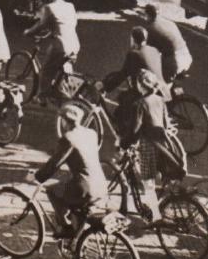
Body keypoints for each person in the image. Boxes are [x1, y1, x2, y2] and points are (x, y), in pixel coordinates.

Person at [34, 103, 108, 240]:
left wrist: (38, 177)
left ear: (63, 121)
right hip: (101, 184)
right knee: (68, 186)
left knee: (52, 191)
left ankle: (65, 226)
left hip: (86, 189)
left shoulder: (68, 138)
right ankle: (76, 228)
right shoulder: (92, 133)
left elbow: (54, 164)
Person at [113, 69, 177, 219]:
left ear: (141, 86)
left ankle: (155, 217)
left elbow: (134, 130)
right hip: (162, 145)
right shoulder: (160, 99)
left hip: (149, 147)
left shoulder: (140, 104)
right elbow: (166, 123)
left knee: (148, 183)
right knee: (153, 179)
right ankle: (155, 205)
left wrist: (123, 145)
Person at [24, 0, 80, 100]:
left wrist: (28, 32)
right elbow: (70, 23)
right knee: (64, 67)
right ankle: (65, 90)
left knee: (46, 71)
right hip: (74, 43)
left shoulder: (49, 7)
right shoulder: (70, 6)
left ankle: (42, 97)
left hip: (61, 46)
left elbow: (41, 25)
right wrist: (53, 32)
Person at [104, 26, 169, 100]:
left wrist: (106, 87)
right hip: (163, 91)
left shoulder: (134, 54)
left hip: (148, 95)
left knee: (122, 99)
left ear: (133, 40)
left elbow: (123, 75)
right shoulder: (154, 50)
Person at [140, 3, 192, 82]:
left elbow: (147, 51)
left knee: (154, 82)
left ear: (147, 14)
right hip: (187, 57)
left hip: (174, 62)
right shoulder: (170, 23)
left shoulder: (151, 28)